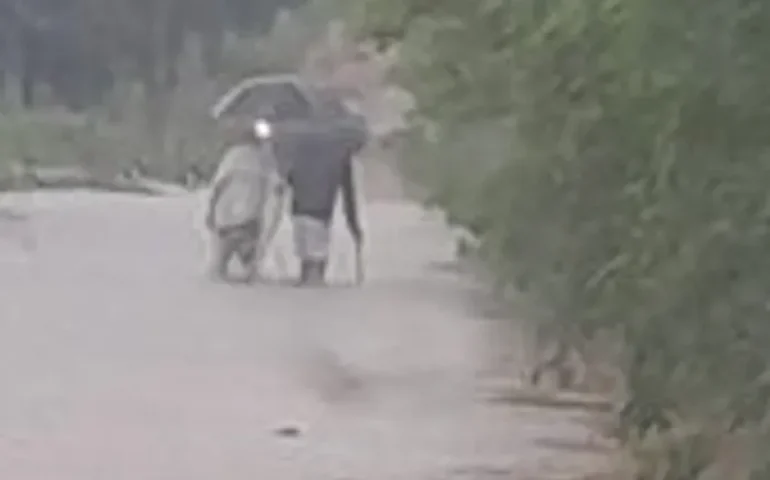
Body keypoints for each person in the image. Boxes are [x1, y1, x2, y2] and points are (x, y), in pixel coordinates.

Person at [276, 121, 366, 286]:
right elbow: (348, 197)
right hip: (320, 211)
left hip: (299, 210)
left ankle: (306, 280)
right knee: (317, 256)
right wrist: (354, 227)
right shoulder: (341, 159)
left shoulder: (304, 151)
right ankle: (315, 283)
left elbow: (288, 178)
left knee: (306, 255)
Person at [204, 124, 286, 283]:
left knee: (218, 268)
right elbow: (277, 186)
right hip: (250, 219)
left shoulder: (232, 156)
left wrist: (211, 210)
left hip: (226, 218)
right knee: (251, 268)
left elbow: (218, 186)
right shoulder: (265, 159)